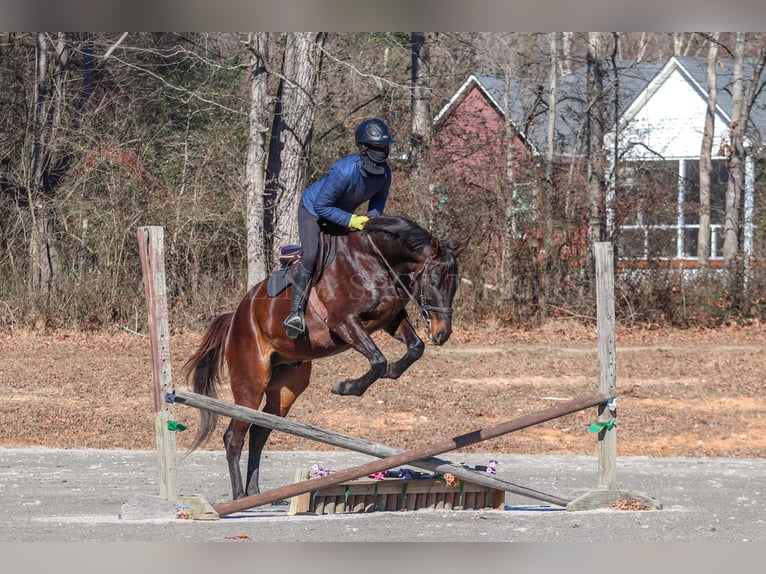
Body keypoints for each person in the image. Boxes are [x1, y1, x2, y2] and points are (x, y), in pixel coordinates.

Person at [283, 118, 396, 339]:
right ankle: (295, 313)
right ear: (364, 147)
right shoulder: (345, 170)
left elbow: (376, 207)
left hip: (341, 216)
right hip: (313, 211)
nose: (382, 150)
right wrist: (353, 221)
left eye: (384, 146)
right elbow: (321, 206)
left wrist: (371, 225)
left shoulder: (385, 174)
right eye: (377, 146)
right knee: (313, 254)